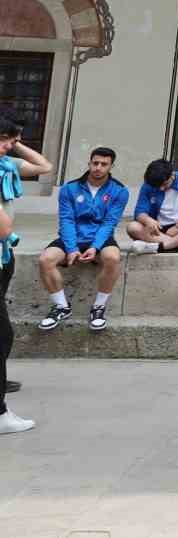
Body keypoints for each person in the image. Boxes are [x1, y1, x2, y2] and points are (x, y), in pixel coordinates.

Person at [37, 147, 127, 332]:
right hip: (73, 237)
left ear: (111, 166)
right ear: (89, 163)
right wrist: (71, 248)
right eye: (95, 163)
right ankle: (61, 306)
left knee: (113, 257)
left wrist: (95, 247)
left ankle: (98, 307)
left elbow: (110, 222)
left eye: (104, 164)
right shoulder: (69, 189)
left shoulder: (120, 191)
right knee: (45, 259)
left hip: (100, 238)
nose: (98, 168)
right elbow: (66, 220)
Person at [1, 114, 52, 434]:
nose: (8, 146)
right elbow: (4, 226)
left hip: (4, 256)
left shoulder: (7, 167)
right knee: (2, 334)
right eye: (4, 139)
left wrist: (16, 145)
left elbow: (44, 167)